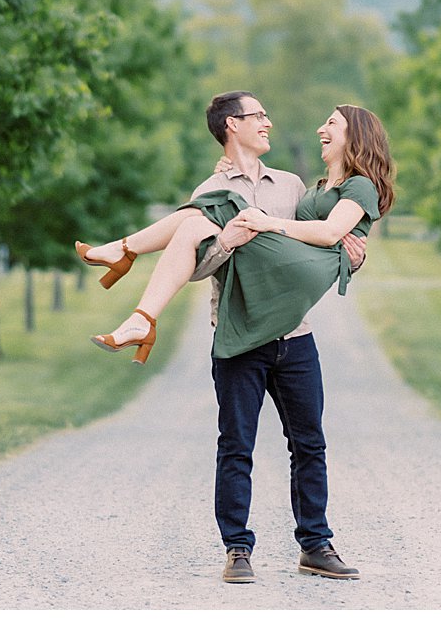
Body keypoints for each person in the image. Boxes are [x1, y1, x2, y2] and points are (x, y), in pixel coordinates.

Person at [75, 92, 395, 584]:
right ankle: (237, 549)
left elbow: (323, 233)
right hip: (240, 336)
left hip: (295, 335)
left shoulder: (291, 186)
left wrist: (351, 253)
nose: (269, 121)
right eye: (259, 116)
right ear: (232, 125)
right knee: (236, 445)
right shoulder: (212, 187)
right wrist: (227, 240)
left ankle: (315, 544)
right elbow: (198, 268)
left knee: (309, 443)